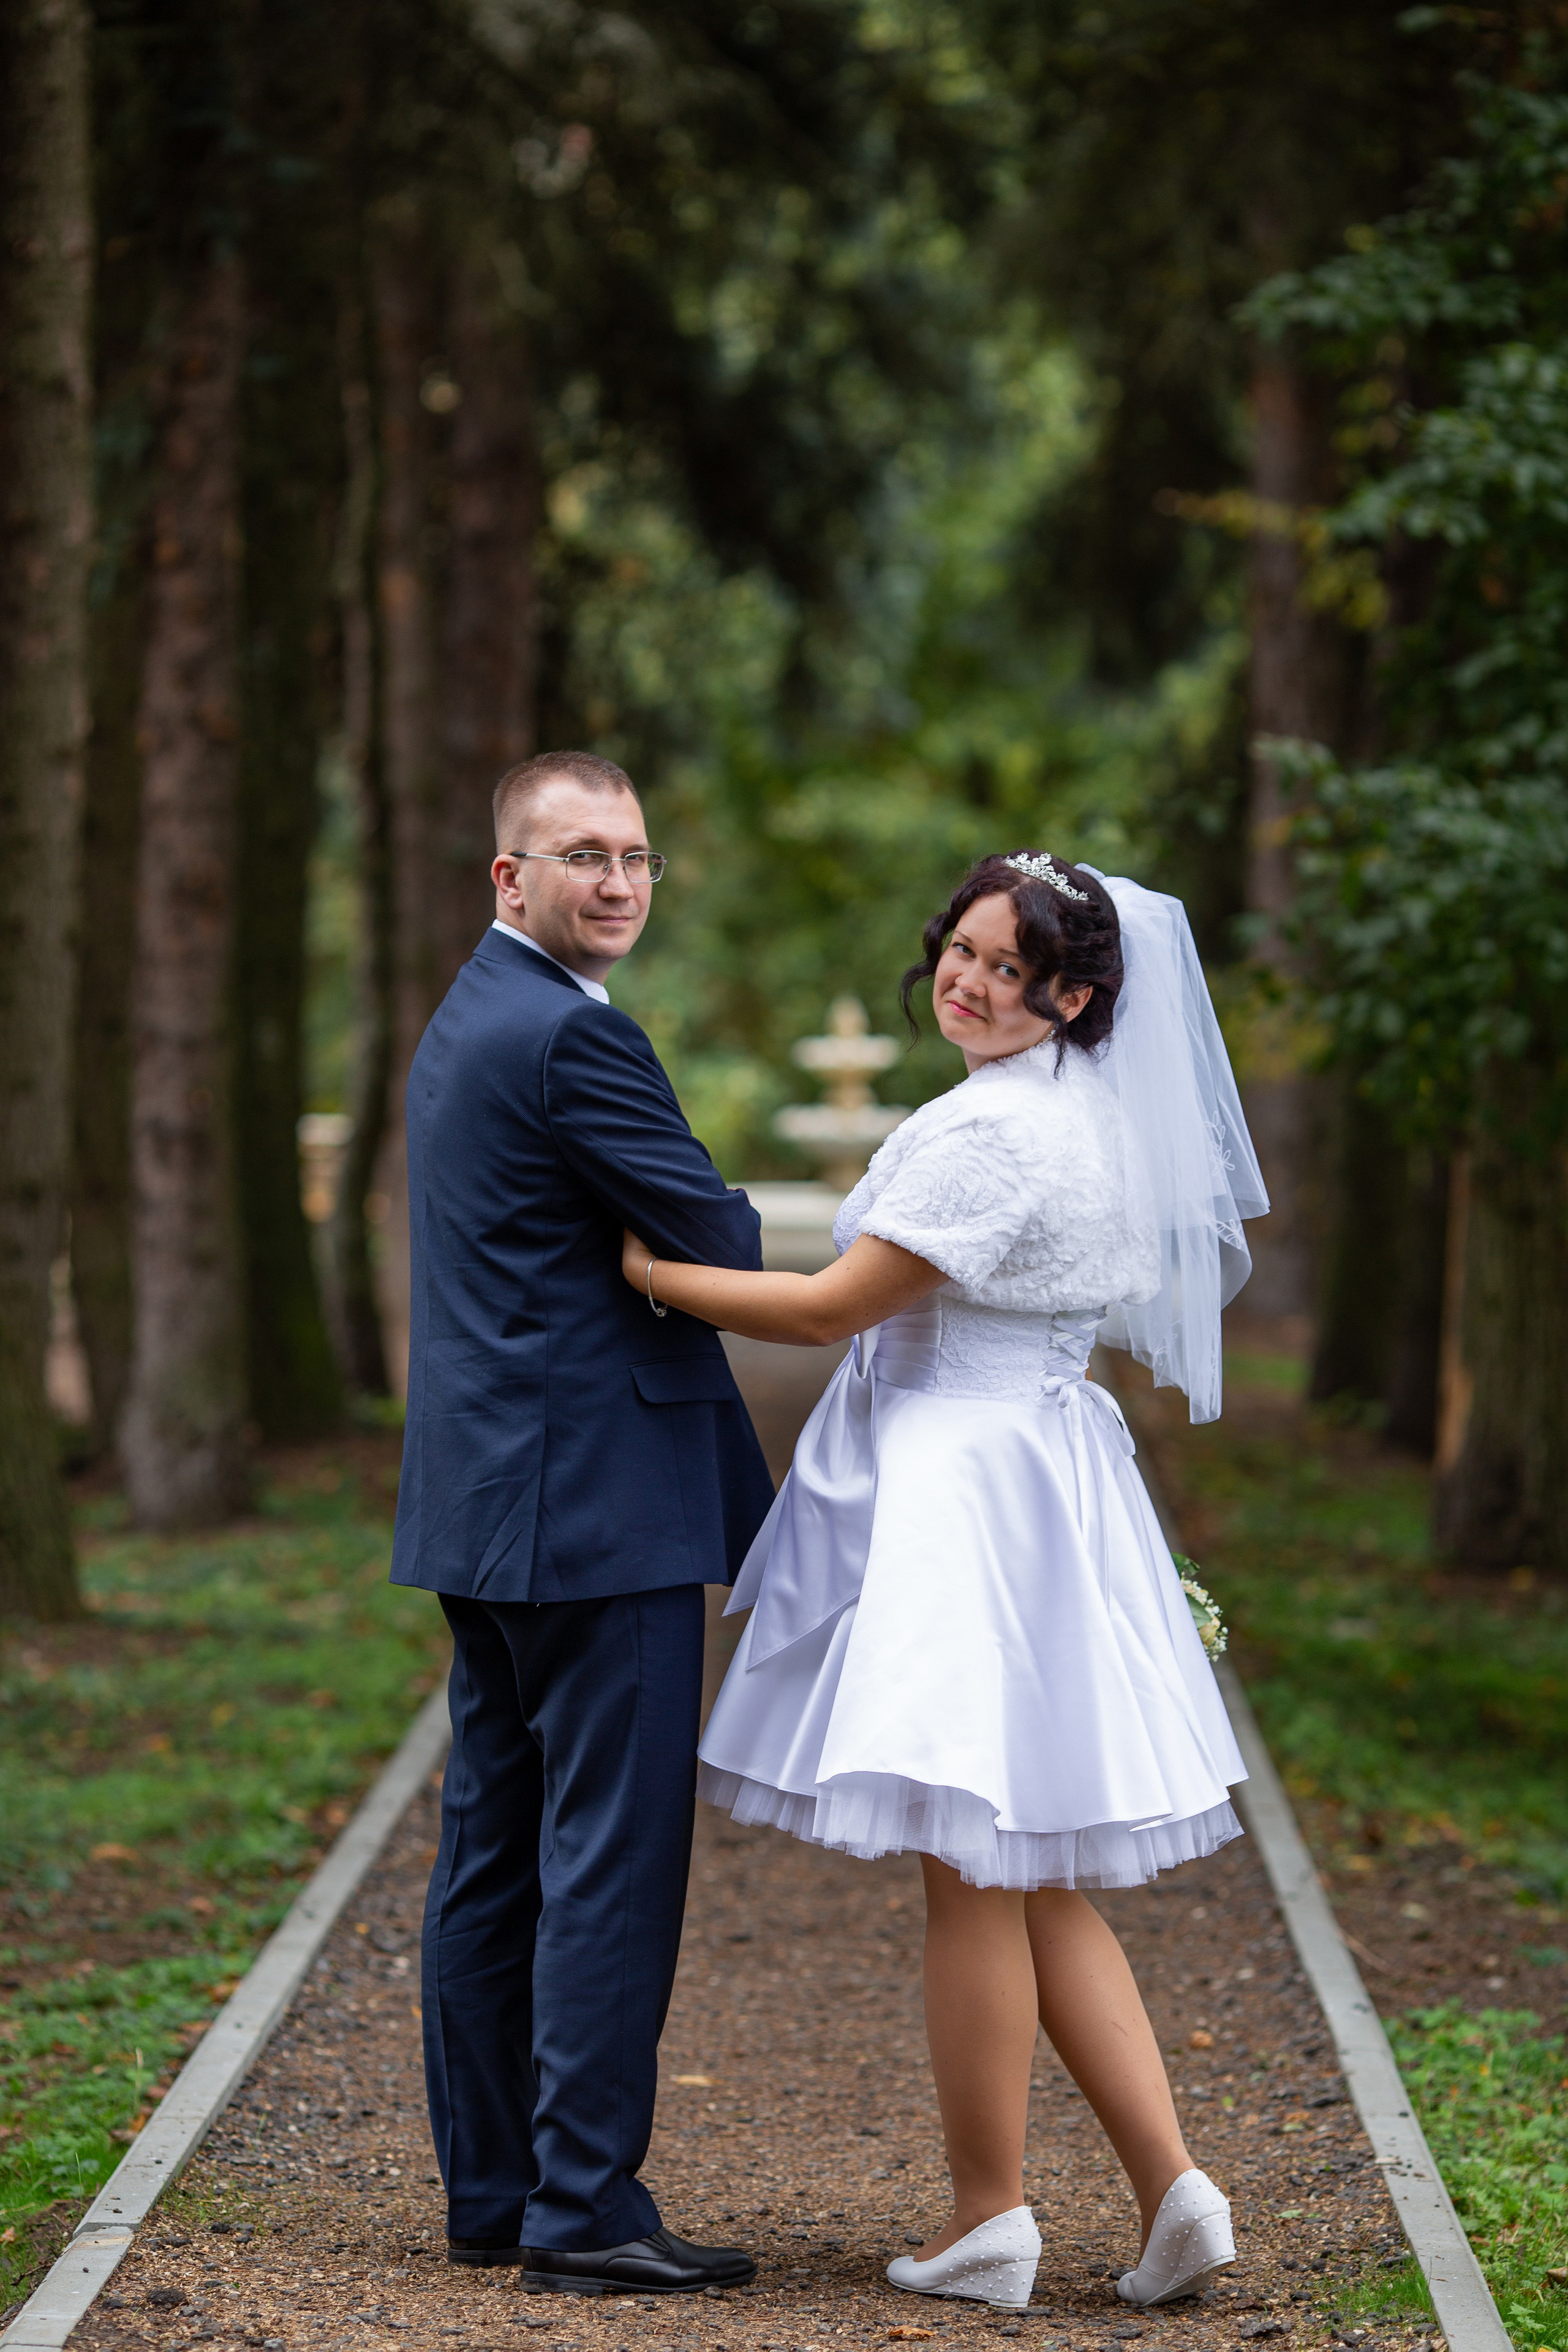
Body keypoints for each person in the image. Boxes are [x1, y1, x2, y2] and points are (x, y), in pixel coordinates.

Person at [619, 851, 1268, 2313]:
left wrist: (653, 1276)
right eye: (959, 951)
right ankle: (1173, 2189)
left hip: (965, 1489)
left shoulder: (991, 1136)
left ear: (1076, 994)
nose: (967, 982)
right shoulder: (1089, 1119)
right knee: (1031, 1871)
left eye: (1007, 967)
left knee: (974, 1865)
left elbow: (831, 1307)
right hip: (1041, 1476)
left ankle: (991, 2218)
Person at [391, 750, 775, 2295]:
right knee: (608, 1858)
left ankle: (497, 2189)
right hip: (597, 1508)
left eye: (633, 855)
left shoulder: (467, 1020)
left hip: (491, 1506)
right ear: (510, 878)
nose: (616, 881)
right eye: (580, 855)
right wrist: (667, 1225)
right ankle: (586, 2211)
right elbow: (721, 1232)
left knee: (494, 1851)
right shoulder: (565, 1039)